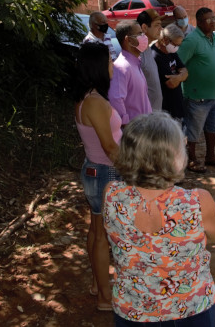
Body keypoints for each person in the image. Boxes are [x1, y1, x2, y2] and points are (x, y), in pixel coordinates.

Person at [103, 112, 215, 325]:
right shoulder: (198, 201)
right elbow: (213, 237)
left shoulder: (111, 194)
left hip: (133, 312)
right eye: (182, 145)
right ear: (171, 157)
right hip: (193, 309)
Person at [72, 42, 122, 312]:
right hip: (105, 172)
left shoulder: (86, 98)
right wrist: (134, 169)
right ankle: (105, 296)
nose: (112, 66)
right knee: (102, 235)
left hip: (95, 171)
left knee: (96, 230)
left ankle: (97, 283)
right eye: (109, 61)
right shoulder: (95, 102)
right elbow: (110, 147)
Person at [177, 7, 215, 172]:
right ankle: (191, 159)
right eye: (209, 20)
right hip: (196, 96)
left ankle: (210, 156)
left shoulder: (214, 36)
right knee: (193, 130)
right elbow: (179, 63)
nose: (213, 22)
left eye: (214, 18)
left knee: (212, 128)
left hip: (214, 95)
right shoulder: (191, 40)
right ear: (198, 22)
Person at [109, 21, 152, 126]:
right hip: (136, 132)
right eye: (139, 34)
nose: (144, 36)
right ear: (128, 39)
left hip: (144, 128)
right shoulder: (121, 67)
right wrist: (127, 125)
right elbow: (115, 99)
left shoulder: (134, 62)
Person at [150, 24, 189, 123]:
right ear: (166, 40)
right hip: (166, 111)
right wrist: (181, 76)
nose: (177, 48)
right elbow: (171, 84)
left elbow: (185, 71)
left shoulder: (171, 52)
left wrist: (178, 77)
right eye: (176, 45)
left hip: (178, 106)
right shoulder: (155, 56)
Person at [137, 9, 164, 111]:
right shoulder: (137, 53)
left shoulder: (147, 48)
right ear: (144, 27)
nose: (161, 29)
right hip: (145, 118)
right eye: (157, 25)